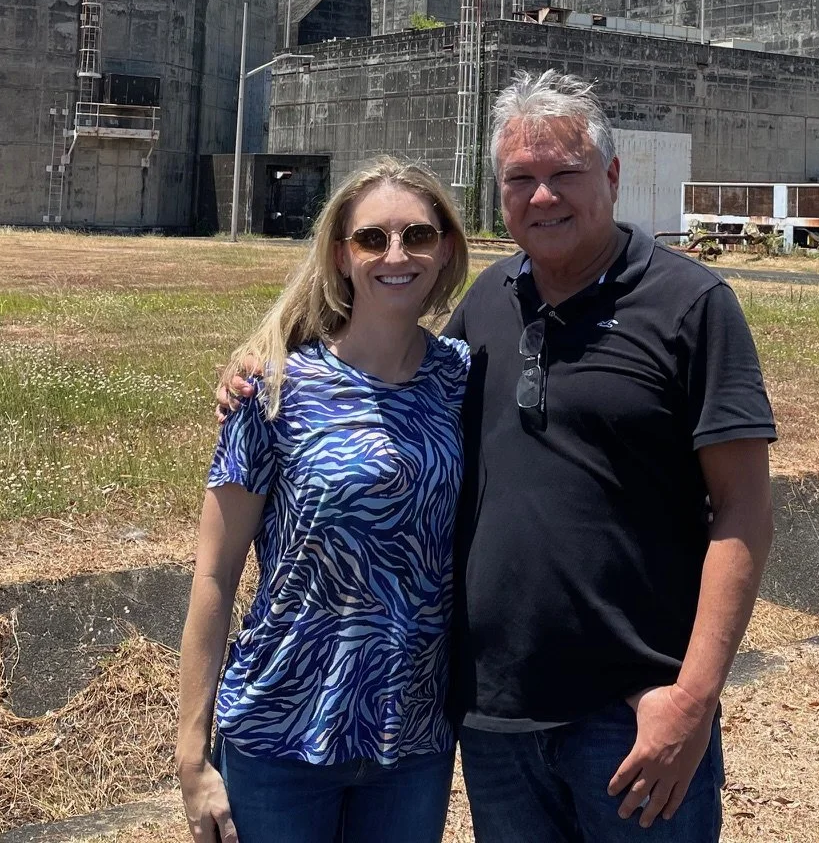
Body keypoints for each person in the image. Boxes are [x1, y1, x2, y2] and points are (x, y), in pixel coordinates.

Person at [220, 70, 776, 841]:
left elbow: (744, 510)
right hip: (495, 722)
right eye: (520, 179)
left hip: (633, 719)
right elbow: (389, 380)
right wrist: (269, 359)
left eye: (565, 174)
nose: (542, 196)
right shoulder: (487, 303)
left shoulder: (690, 305)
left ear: (612, 177)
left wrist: (693, 698)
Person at [177, 158, 471, 843]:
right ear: (340, 254)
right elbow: (214, 575)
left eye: (417, 235)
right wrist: (192, 754)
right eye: (371, 238)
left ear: (445, 248)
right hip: (279, 733)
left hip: (411, 740)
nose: (395, 255)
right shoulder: (273, 388)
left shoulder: (460, 379)